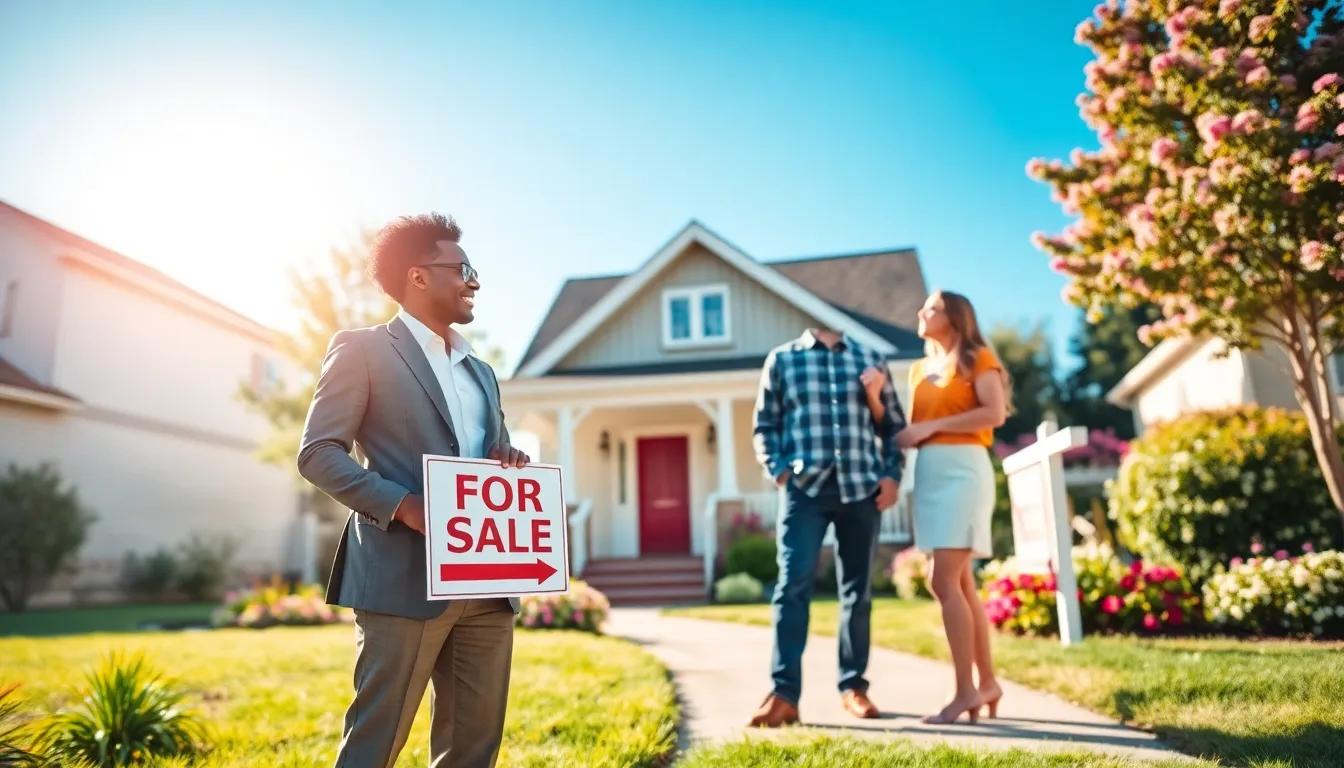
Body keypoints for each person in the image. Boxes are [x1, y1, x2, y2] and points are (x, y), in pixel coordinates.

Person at [297, 213, 530, 768]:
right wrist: (403, 505)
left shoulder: (482, 371)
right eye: (463, 269)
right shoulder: (362, 349)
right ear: (419, 276)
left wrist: (508, 460)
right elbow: (318, 453)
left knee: (473, 746)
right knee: (378, 740)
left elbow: (486, 453)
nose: (474, 281)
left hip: (488, 579)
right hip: (404, 577)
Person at [862, 289, 1009, 725]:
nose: (920, 311)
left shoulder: (977, 358)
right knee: (961, 585)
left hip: (964, 470)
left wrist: (932, 427)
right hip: (929, 473)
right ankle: (987, 684)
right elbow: (905, 429)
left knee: (942, 581)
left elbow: (994, 413)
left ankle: (965, 691)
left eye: (932, 307)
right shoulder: (922, 370)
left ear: (956, 318)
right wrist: (875, 397)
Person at [749, 327, 906, 728]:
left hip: (862, 488)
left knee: (857, 590)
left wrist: (891, 475)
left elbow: (892, 428)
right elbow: (765, 425)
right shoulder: (783, 359)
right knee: (793, 585)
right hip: (806, 491)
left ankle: (854, 686)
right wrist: (781, 472)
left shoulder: (872, 358)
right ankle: (784, 695)